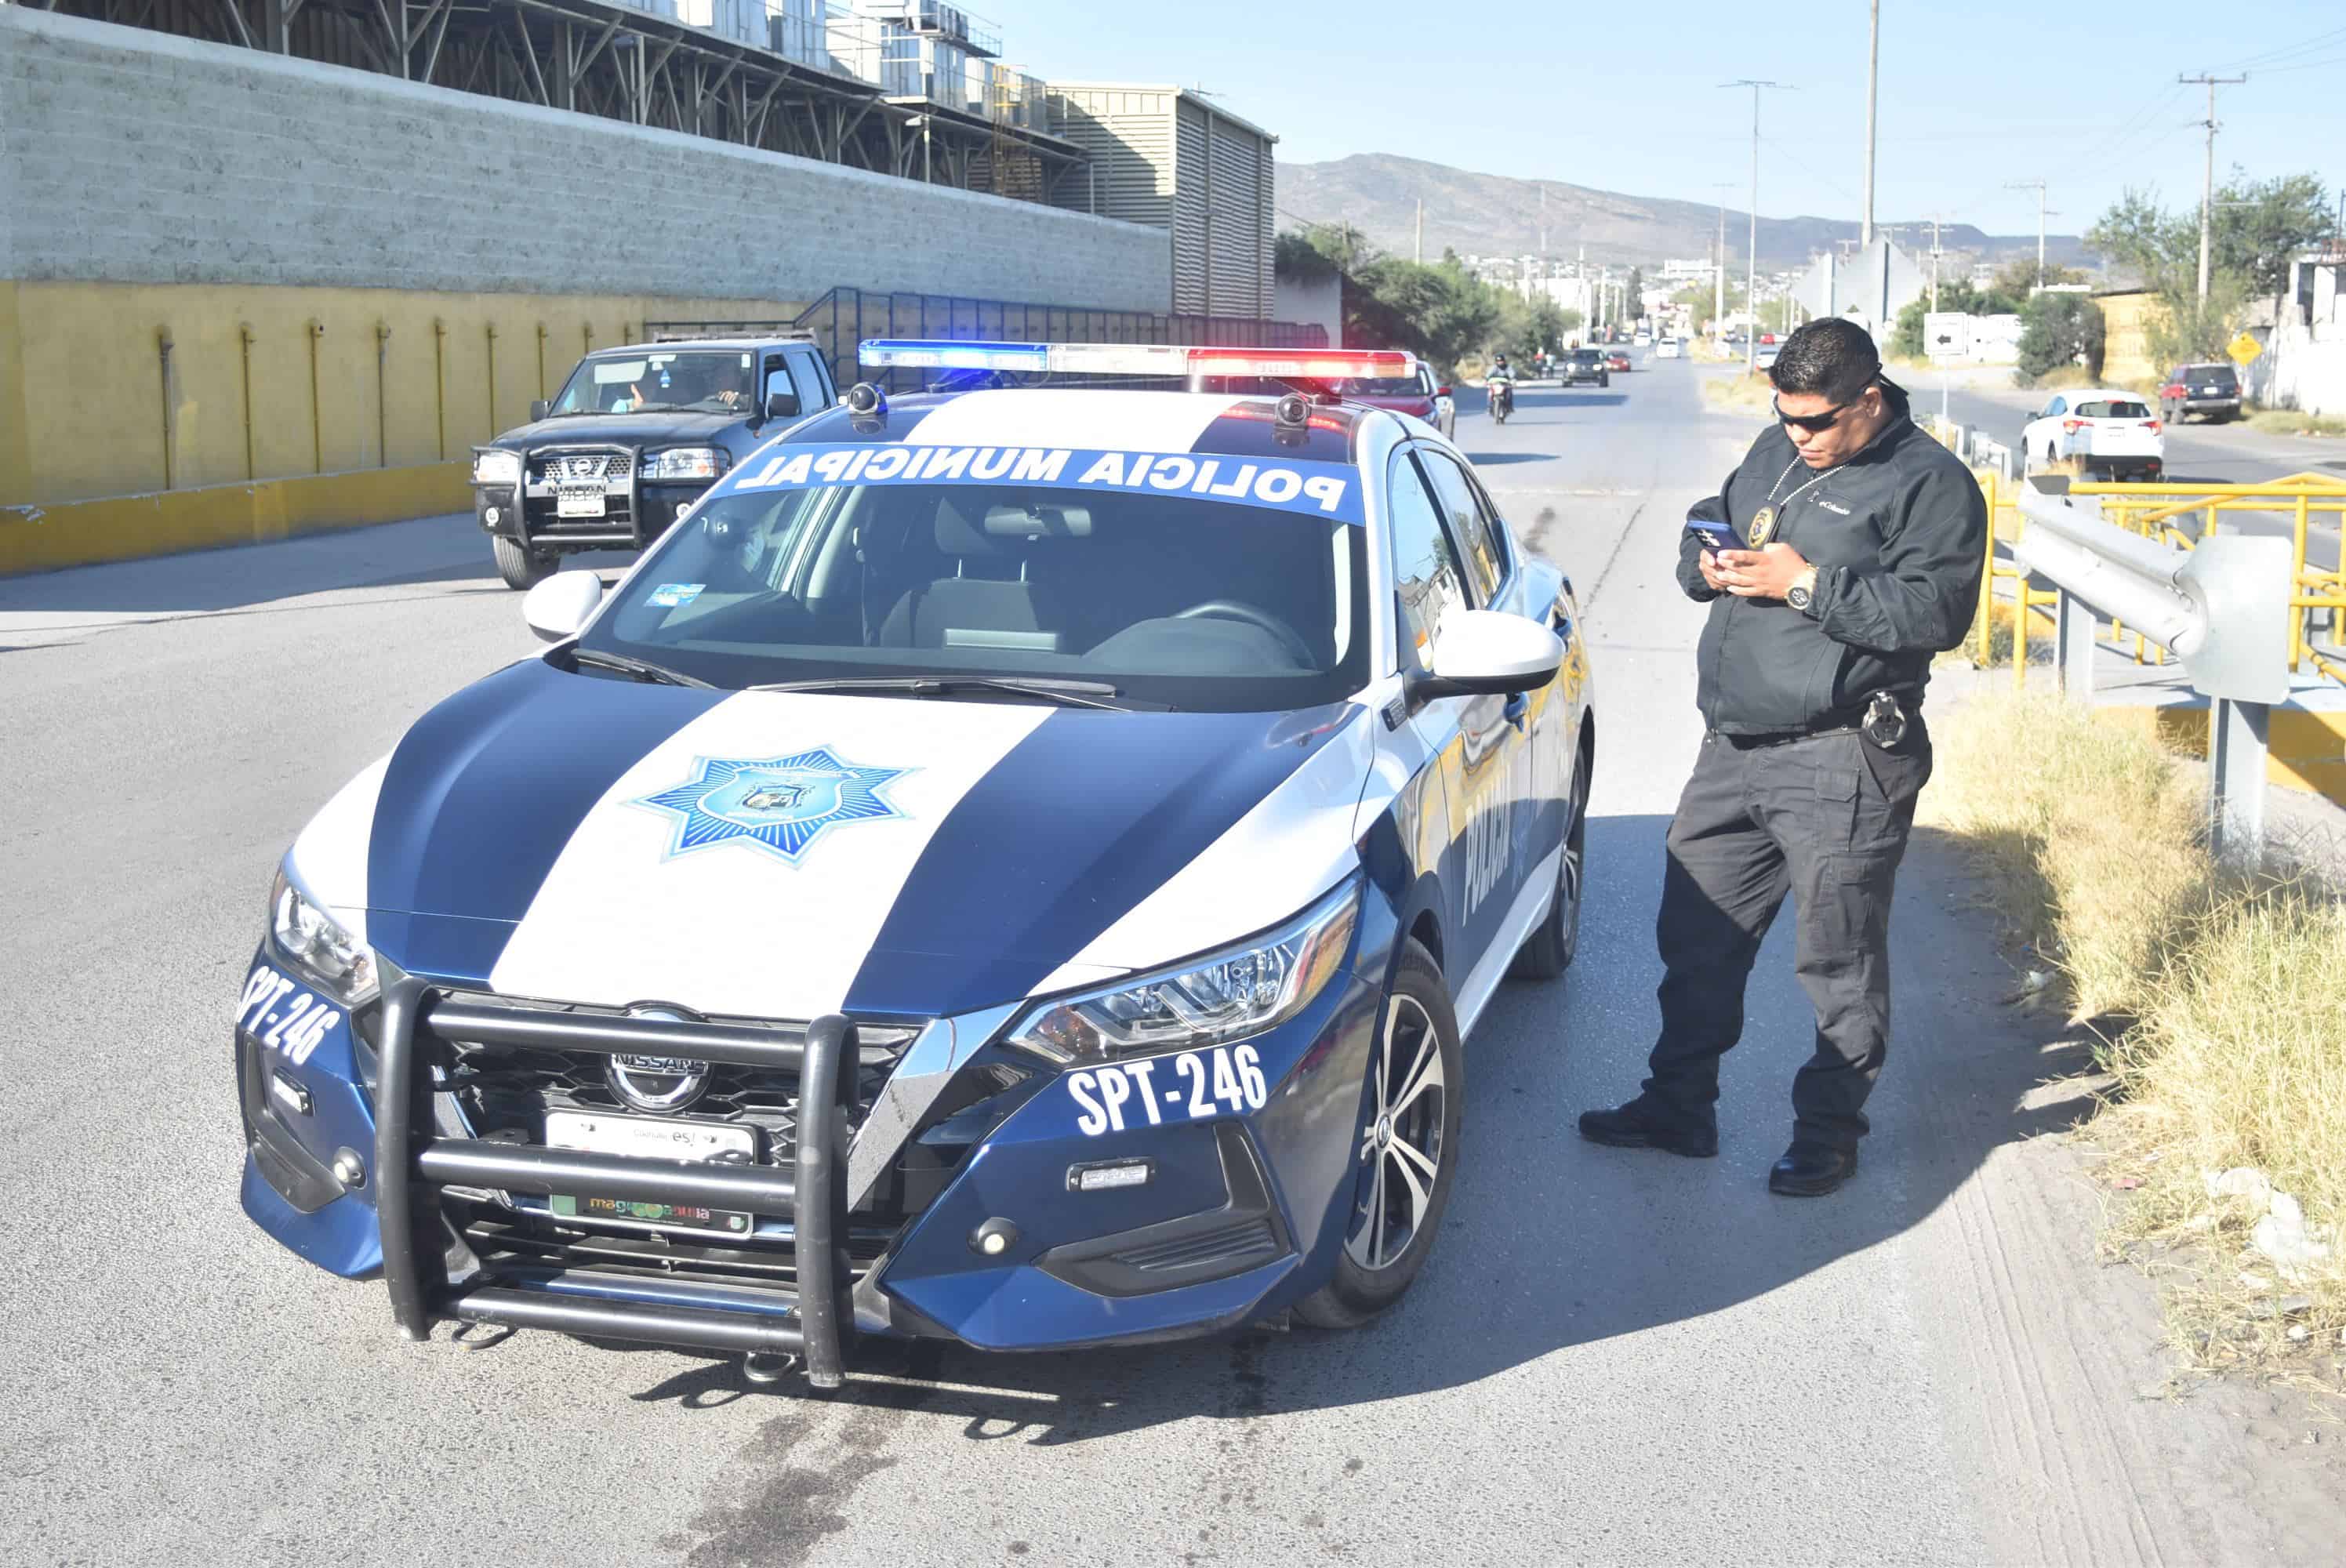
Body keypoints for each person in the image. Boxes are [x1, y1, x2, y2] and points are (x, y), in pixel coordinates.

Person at [1579, 317, 1987, 1196]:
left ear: (1868, 400)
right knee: (1696, 941)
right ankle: (1677, 1105)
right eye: (1786, 415)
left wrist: (1801, 582)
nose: (1798, 435)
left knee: (1836, 959)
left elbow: (1935, 615)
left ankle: (1828, 1132)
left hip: (1841, 755)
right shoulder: (1776, 448)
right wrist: (1709, 561)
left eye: (1816, 421)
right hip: (1731, 749)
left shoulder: (1931, 484)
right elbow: (1717, 522)